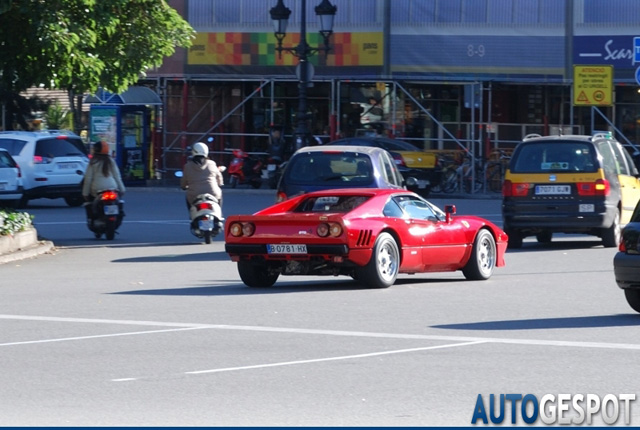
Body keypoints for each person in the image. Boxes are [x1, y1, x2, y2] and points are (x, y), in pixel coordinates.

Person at [82, 140, 126, 220]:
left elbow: (88, 179)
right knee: (118, 201)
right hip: (112, 187)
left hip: (97, 189)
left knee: (90, 203)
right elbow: (117, 176)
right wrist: (122, 189)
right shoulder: (111, 161)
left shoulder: (93, 162)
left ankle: (93, 218)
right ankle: (120, 212)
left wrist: (85, 194)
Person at [180, 142, 224, 212]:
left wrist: (184, 187)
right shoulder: (212, 164)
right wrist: (219, 184)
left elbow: (183, 183)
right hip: (213, 194)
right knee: (219, 194)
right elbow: (220, 180)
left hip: (194, 195)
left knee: (188, 197)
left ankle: (192, 216)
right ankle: (219, 214)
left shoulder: (187, 166)